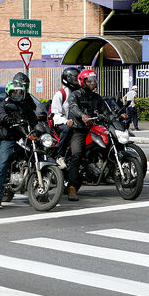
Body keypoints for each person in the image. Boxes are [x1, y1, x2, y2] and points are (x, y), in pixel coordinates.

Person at [66, 69, 110, 201]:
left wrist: (117, 116)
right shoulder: (75, 95)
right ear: (82, 81)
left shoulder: (97, 97)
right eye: (89, 81)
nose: (92, 83)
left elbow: (106, 110)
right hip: (79, 130)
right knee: (77, 154)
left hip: (95, 129)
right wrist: (82, 116)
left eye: (94, 80)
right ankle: (72, 188)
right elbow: (73, 107)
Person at [0, 81, 37, 209]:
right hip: (8, 138)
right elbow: (2, 117)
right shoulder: (4, 105)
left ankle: (40, 194)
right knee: (2, 165)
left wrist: (40, 126)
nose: (17, 95)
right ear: (9, 93)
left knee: (35, 156)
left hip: (23, 137)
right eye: (14, 92)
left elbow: (34, 120)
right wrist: (10, 120)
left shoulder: (25, 106)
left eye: (20, 92)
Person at [50, 67, 81, 168]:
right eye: (75, 79)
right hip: (61, 124)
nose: (77, 82)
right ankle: (60, 156)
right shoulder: (60, 94)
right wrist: (66, 121)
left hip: (77, 122)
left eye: (78, 79)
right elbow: (56, 114)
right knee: (67, 129)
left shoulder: (79, 93)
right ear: (67, 79)